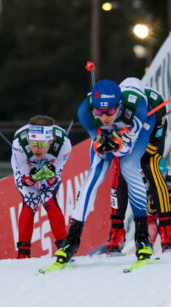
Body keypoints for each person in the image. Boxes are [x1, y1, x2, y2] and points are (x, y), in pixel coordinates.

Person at [54, 78, 161, 265]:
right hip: (113, 132)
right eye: (100, 112)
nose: (104, 117)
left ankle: (142, 238)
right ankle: (71, 240)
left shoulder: (137, 108)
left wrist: (118, 142)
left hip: (141, 124)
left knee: (128, 167)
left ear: (119, 106)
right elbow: (99, 145)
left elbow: (125, 150)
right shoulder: (85, 112)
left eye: (110, 111)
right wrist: (107, 141)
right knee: (94, 174)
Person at [103, 79, 171, 252]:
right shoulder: (111, 108)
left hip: (150, 132)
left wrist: (134, 144)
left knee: (151, 167)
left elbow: (152, 149)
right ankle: (116, 234)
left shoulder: (156, 104)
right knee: (120, 172)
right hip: (126, 132)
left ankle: (167, 233)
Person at [11, 115, 72, 258]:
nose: (36, 148)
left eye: (41, 144)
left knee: (47, 197)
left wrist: (49, 175)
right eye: (32, 143)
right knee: (31, 198)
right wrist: (32, 177)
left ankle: (63, 249)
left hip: (49, 164)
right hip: (27, 166)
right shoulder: (19, 144)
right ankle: (23, 253)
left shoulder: (64, 145)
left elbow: (54, 179)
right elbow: (25, 180)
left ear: (50, 141)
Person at [147, 162, 171, 248]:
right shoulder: (140, 181)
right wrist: (151, 208)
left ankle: (169, 242)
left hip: (170, 205)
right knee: (149, 223)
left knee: (168, 220)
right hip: (149, 204)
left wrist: (165, 203)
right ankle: (147, 244)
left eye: (160, 178)